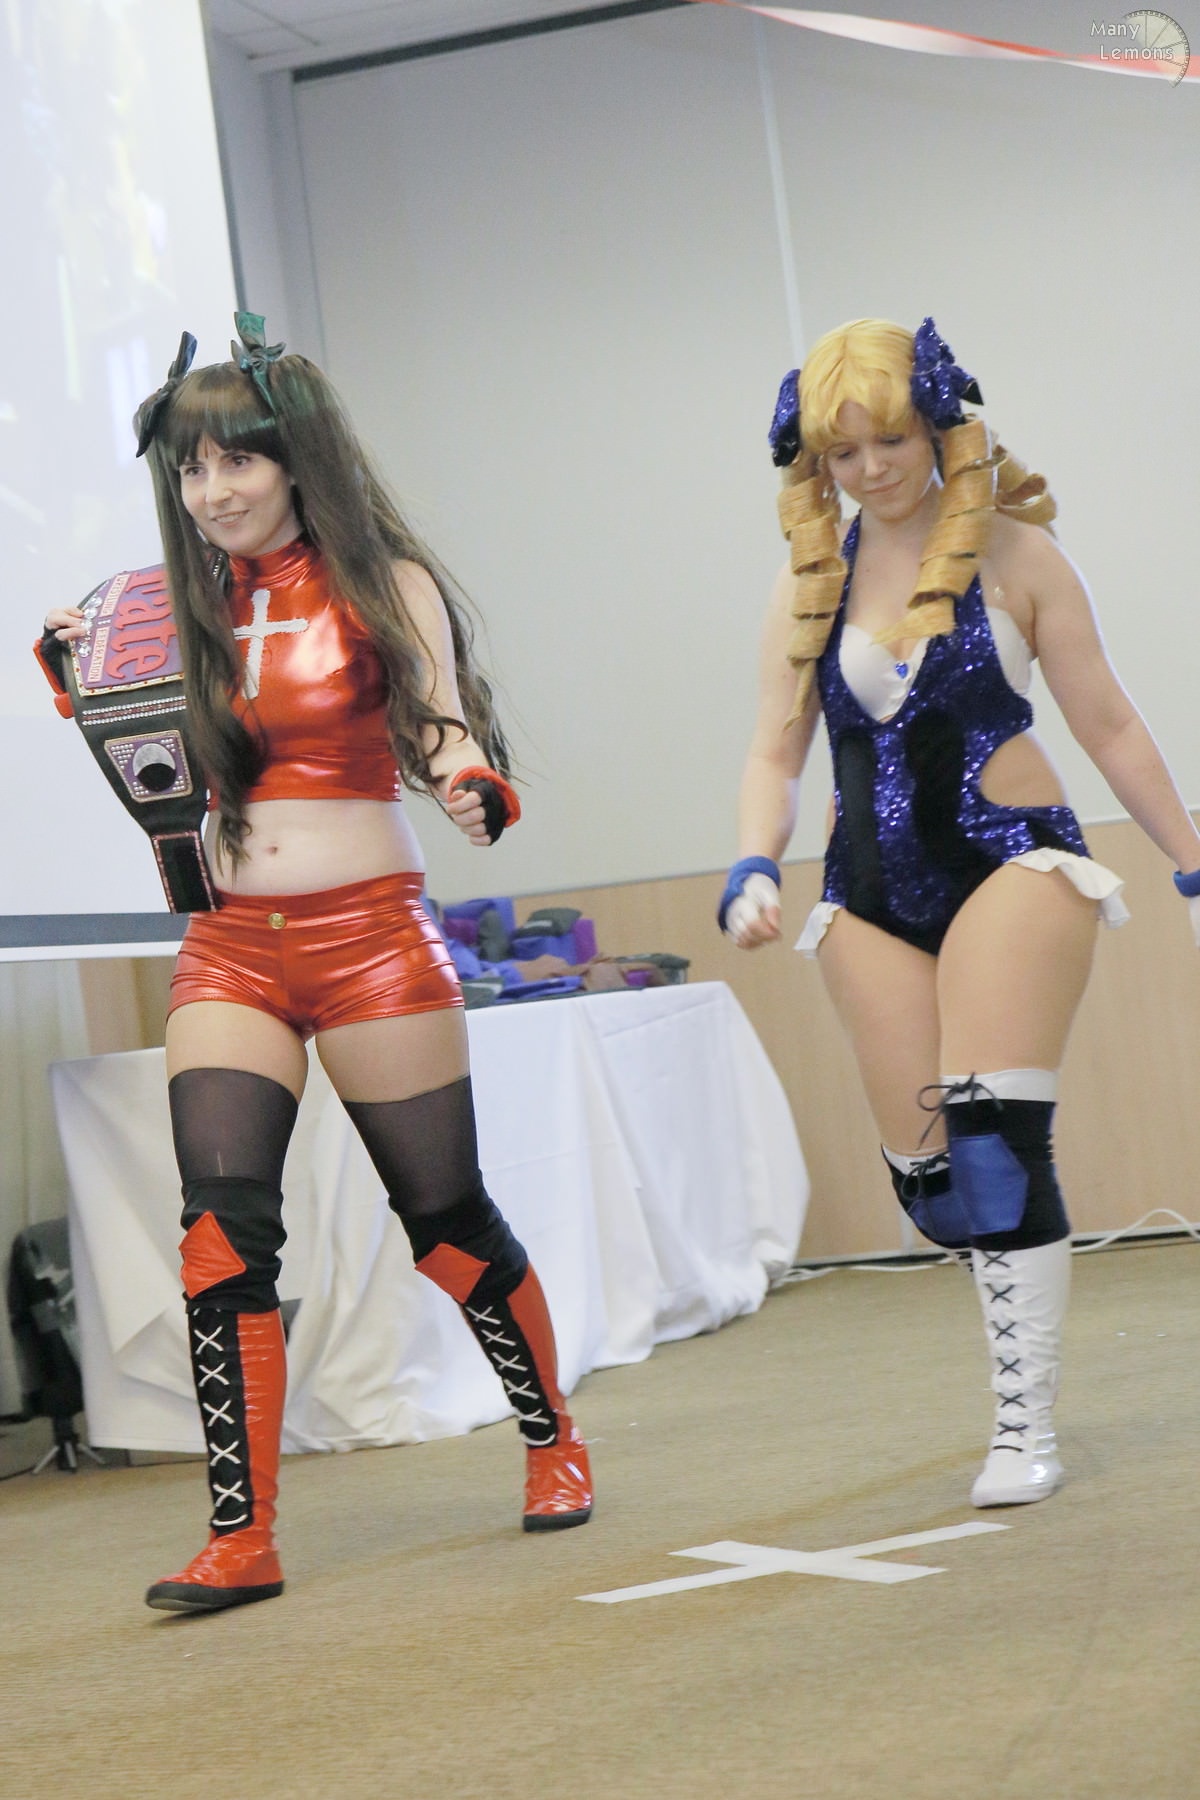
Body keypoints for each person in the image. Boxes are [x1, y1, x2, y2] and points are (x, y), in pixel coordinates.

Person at [41, 315, 592, 1613]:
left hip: (371, 938)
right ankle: (242, 1536)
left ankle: (552, 1439)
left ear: (297, 461)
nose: (212, 491)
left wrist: (472, 784)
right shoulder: (165, 610)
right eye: (190, 469)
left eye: (237, 460)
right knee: (220, 1236)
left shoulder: (382, 583)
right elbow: (149, 760)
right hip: (230, 945)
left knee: (444, 1220)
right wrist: (84, 673)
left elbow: (441, 726)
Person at [720, 316, 1200, 1508]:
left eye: (890, 439)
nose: (872, 468)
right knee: (934, 1193)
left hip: (1016, 863)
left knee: (993, 1150)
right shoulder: (810, 579)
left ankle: (1023, 1425)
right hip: (869, 894)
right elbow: (775, 750)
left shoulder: (1019, 555)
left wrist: (1190, 859)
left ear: (938, 425)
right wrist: (752, 863)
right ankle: (981, 1267)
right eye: (843, 452)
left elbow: (1108, 722)